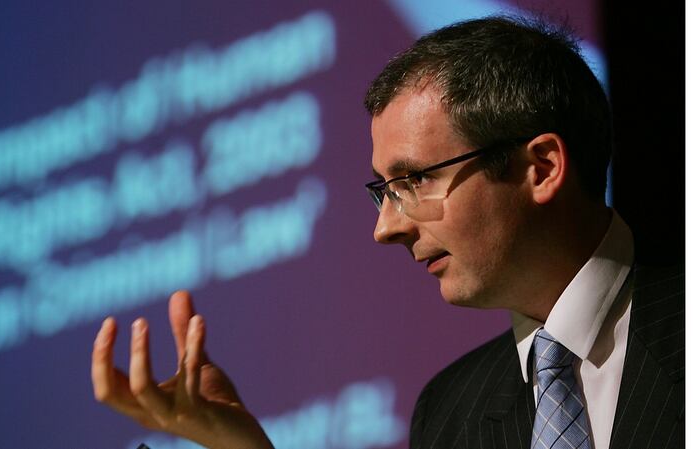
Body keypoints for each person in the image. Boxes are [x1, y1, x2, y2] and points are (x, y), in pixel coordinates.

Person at [91, 16, 684, 449]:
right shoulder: (449, 413)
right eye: (384, 190)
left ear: (541, 168)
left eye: (414, 180)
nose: (386, 227)